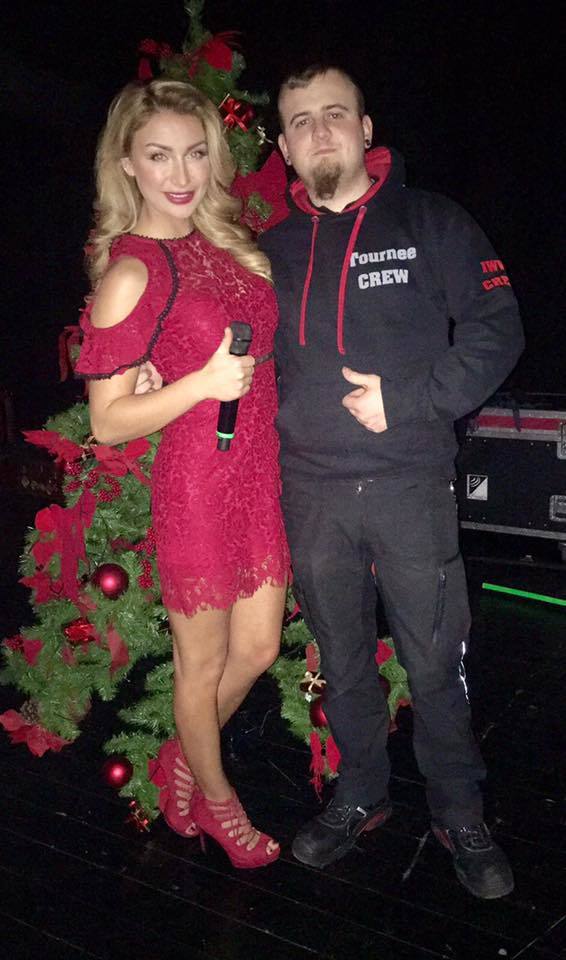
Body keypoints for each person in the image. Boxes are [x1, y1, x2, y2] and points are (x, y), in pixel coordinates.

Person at [257, 65, 524, 898]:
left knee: (435, 662)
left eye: (335, 114)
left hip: (410, 485)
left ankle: (459, 812)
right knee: (342, 662)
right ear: (284, 146)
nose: (320, 130)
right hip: (312, 494)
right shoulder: (271, 250)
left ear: (366, 129)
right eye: (302, 120)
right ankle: (361, 794)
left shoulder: (430, 220)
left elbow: (497, 329)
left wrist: (409, 400)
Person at [75, 79, 289, 869]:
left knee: (258, 648)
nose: (181, 174)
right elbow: (106, 421)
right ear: (127, 164)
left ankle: (179, 759)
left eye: (196, 154)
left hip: (258, 474)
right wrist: (199, 383)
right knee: (202, 665)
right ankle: (218, 801)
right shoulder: (130, 273)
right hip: (198, 482)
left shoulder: (223, 243)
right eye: (159, 155)